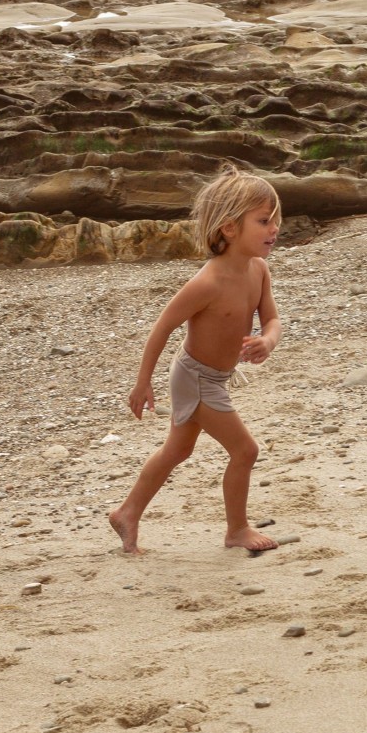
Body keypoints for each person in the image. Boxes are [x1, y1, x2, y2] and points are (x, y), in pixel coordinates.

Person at [109, 164, 283, 554]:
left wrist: (267, 341)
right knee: (245, 450)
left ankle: (127, 512)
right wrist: (142, 382)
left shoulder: (259, 270)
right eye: (264, 221)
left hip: (213, 378)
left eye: (276, 220)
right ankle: (237, 530)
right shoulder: (207, 283)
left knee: (178, 450)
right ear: (229, 229)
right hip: (196, 378)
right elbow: (162, 328)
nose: (274, 229)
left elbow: (271, 319)